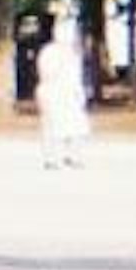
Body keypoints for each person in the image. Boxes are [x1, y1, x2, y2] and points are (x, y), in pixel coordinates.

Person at [35, 20, 90, 170]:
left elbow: (76, 77)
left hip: (70, 94)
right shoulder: (50, 52)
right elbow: (46, 73)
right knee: (54, 127)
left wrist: (80, 93)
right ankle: (52, 158)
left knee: (76, 127)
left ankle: (73, 156)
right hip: (54, 93)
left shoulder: (74, 53)